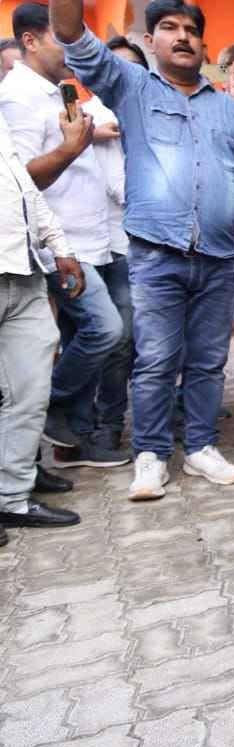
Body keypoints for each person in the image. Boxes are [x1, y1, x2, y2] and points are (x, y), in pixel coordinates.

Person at [51, 0, 234, 501]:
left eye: (190, 30)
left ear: (203, 45)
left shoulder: (228, 108)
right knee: (156, 358)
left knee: (206, 361)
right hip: (157, 255)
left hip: (220, 256)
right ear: (151, 41)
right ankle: (152, 456)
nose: (182, 37)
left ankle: (200, 447)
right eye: (168, 28)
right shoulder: (131, 87)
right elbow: (71, 33)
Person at [0, 3, 130, 468]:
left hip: (98, 237)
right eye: (61, 38)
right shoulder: (16, 97)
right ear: (30, 41)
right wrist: (72, 148)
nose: (72, 46)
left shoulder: (58, 90)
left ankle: (73, 438)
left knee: (108, 334)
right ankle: (51, 407)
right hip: (61, 243)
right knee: (106, 329)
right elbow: (19, 180)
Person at [0, 111, 84, 543]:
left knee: (30, 391)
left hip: (23, 271)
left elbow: (24, 190)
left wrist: (60, 247)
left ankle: (13, 495)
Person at [72, 36, 148, 455]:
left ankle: (164, 414)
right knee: (118, 341)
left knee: (160, 338)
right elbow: (115, 186)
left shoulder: (153, 113)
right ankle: (108, 424)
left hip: (160, 242)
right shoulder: (90, 119)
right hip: (118, 245)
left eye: (132, 67)